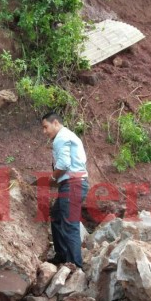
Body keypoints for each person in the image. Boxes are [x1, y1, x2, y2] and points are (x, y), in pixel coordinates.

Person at [41, 111, 89, 268]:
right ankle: (61, 255)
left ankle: (76, 265)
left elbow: (63, 164)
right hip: (74, 183)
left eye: (45, 127)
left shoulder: (60, 138)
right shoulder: (69, 136)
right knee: (56, 216)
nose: (44, 131)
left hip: (72, 184)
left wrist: (53, 178)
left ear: (55, 123)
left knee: (70, 224)